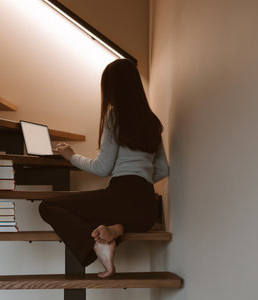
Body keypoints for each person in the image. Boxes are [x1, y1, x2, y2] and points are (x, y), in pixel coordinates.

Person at [38, 59, 169, 278]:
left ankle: (98, 244)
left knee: (48, 207)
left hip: (121, 196)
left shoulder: (115, 117)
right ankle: (115, 230)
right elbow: (163, 170)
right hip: (146, 210)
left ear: (112, 88)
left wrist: (72, 156)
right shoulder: (152, 121)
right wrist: (140, 182)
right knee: (102, 212)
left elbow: (102, 167)